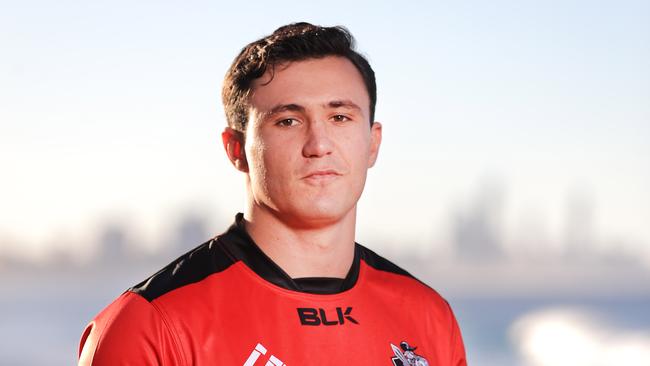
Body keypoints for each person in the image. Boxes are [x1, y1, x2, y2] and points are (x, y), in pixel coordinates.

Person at [78, 22, 467, 365]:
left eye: (340, 117)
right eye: (288, 121)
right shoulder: (151, 326)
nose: (319, 144)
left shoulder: (428, 316)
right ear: (236, 149)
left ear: (372, 143)